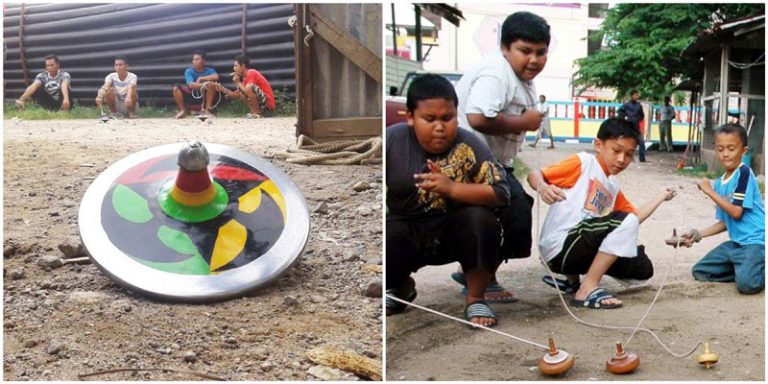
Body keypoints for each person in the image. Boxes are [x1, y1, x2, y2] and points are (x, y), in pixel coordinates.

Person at [386, 74, 511, 327]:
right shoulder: (392, 140)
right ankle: (401, 288)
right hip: (407, 228)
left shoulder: (469, 142)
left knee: (481, 219)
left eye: (447, 118)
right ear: (410, 116)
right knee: (386, 234)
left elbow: (500, 192)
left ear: (456, 115)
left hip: (453, 231)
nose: (440, 127)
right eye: (429, 119)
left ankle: (476, 297)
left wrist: (452, 188)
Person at [527, 117, 677, 309]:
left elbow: (634, 219)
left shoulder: (612, 187)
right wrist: (542, 187)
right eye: (616, 150)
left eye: (629, 154)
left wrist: (661, 196)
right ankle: (587, 288)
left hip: (580, 249)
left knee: (642, 268)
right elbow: (535, 174)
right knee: (617, 223)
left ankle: (573, 283)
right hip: (560, 248)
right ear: (599, 145)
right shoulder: (584, 163)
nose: (622, 159)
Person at [451, 11, 549, 302]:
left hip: (496, 164)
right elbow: (478, 118)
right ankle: (480, 278)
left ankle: (476, 271)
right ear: (505, 48)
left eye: (540, 52)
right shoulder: (496, 73)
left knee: (518, 215)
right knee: (505, 214)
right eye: (525, 51)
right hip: (470, 164)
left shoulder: (522, 79)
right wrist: (525, 123)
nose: (533, 59)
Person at [681, 124, 764, 294]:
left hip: (756, 243)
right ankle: (745, 268)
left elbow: (736, 212)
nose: (725, 154)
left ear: (743, 151)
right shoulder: (720, 182)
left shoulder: (744, 174)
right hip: (736, 245)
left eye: (731, 149)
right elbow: (725, 221)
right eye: (720, 149)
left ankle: (755, 267)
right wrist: (697, 234)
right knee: (701, 271)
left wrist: (709, 191)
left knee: (747, 286)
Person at [172, 49, 221, 118]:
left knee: (211, 85)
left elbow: (216, 76)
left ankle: (207, 111)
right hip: (192, 95)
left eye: (197, 59)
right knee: (175, 88)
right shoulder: (189, 71)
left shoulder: (210, 70)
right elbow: (191, 85)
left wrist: (201, 78)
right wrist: (205, 85)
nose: (195, 62)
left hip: (204, 97)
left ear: (204, 61)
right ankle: (183, 111)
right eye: (194, 60)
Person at [617, 89, 646, 162]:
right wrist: (624, 118)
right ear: (632, 96)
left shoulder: (639, 105)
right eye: (636, 95)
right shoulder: (627, 105)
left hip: (636, 127)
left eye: (637, 95)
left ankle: (642, 159)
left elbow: (642, 115)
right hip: (628, 127)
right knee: (628, 143)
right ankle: (629, 158)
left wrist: (638, 119)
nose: (637, 96)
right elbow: (619, 111)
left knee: (641, 143)